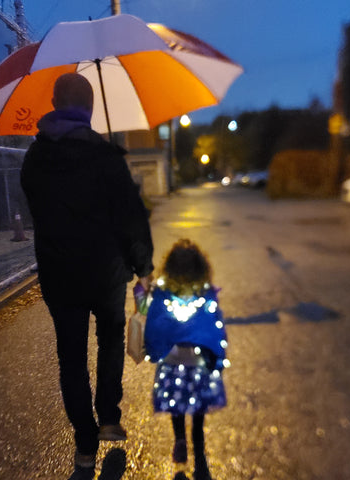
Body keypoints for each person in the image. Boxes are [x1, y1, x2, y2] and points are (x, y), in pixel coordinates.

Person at [20, 72, 154, 474]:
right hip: (107, 273)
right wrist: (143, 268)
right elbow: (132, 219)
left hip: (60, 277)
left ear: (56, 105)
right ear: (90, 109)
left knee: (71, 359)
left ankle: (84, 442)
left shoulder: (34, 159)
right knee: (111, 341)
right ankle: (109, 416)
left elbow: (37, 212)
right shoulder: (107, 157)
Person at [143, 239, 229, 480]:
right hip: (199, 365)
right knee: (198, 411)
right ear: (200, 266)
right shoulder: (205, 293)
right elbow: (215, 328)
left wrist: (153, 350)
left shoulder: (161, 294)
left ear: (169, 266)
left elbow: (154, 326)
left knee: (177, 407)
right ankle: (199, 455)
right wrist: (218, 357)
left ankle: (180, 440)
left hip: (172, 364)